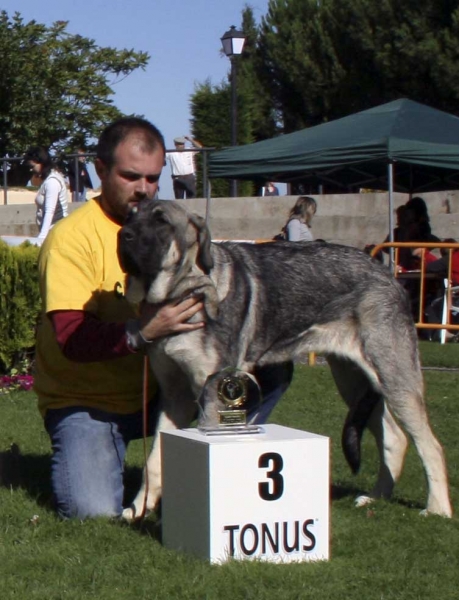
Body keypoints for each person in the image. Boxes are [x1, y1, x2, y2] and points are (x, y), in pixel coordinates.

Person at [35, 116, 292, 519]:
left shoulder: (170, 225)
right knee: (92, 510)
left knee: (265, 369)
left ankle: (212, 476)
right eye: (131, 176)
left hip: (159, 391)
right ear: (100, 171)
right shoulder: (71, 239)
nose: (144, 189)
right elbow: (72, 339)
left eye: (153, 178)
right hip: (88, 402)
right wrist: (146, 330)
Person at [24, 147, 69, 244]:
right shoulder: (48, 180)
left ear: (41, 162)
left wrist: (42, 238)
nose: (31, 169)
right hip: (51, 231)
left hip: (55, 231)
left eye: (32, 166)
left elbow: (50, 211)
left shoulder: (52, 182)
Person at [167, 135, 202, 199]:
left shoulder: (189, 150)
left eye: (183, 144)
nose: (182, 146)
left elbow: (199, 147)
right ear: (176, 145)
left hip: (189, 178)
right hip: (178, 179)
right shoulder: (171, 153)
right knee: (179, 200)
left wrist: (190, 140)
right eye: (180, 144)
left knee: (191, 199)